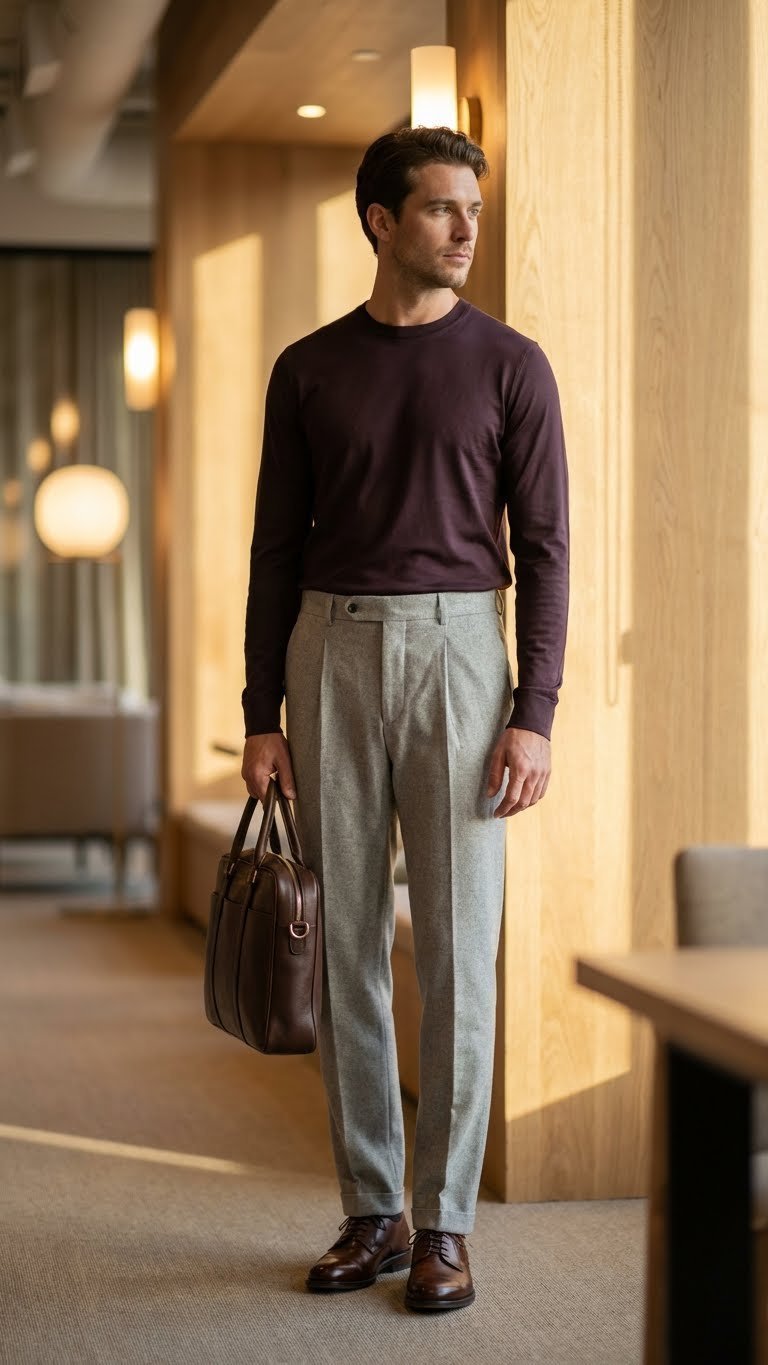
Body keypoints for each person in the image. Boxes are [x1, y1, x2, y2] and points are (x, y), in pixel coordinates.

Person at [241, 125, 569, 1313]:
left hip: (459, 659)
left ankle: (446, 1226)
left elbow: (545, 550)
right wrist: (260, 709)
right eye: (441, 209)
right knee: (347, 956)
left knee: (454, 950)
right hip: (327, 649)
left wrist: (534, 712)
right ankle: (372, 1210)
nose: (466, 228)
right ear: (380, 220)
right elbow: (275, 547)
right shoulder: (309, 368)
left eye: (472, 208)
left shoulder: (512, 365)